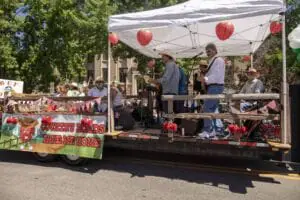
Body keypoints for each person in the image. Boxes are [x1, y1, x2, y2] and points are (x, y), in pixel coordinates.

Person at [198, 43, 225, 139]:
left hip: (215, 86)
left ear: (214, 50)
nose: (207, 53)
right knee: (212, 109)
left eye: (209, 51)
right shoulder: (213, 61)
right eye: (206, 51)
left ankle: (207, 131)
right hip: (214, 86)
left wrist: (205, 79)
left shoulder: (218, 60)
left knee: (207, 108)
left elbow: (216, 76)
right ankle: (214, 130)